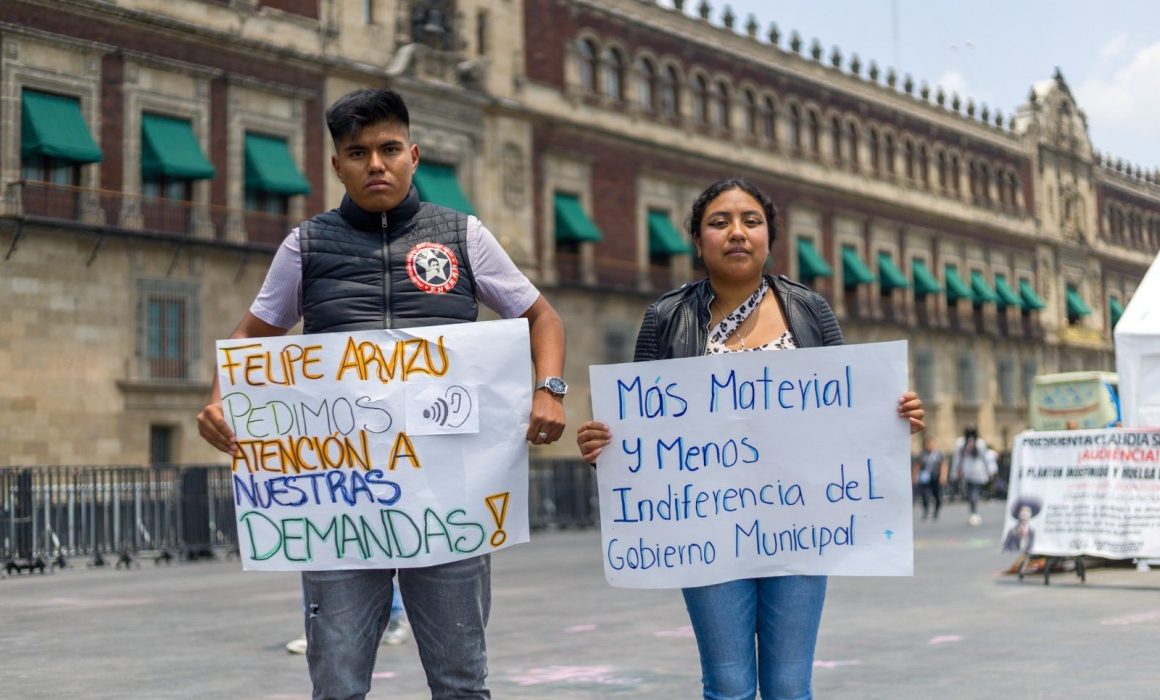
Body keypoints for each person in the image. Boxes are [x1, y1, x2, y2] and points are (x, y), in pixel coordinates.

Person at [197, 88, 567, 700]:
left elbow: (543, 317)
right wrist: (217, 399)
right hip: (338, 506)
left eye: (390, 149)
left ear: (414, 155)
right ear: (336, 165)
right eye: (358, 152)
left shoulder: (464, 236)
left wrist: (549, 389)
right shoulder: (305, 245)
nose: (376, 164)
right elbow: (249, 335)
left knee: (460, 684)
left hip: (452, 499)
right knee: (338, 686)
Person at [575, 178, 925, 700]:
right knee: (729, 684)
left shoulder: (810, 311)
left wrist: (896, 418)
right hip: (706, 529)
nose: (736, 232)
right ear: (697, 241)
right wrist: (604, 443)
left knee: (789, 685)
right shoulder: (666, 318)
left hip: (801, 527)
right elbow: (639, 432)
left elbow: (847, 413)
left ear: (769, 238)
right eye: (719, 222)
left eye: (751, 221)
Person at [951, 425, 991, 526]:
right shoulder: (961, 443)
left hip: (974, 471)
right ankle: (973, 511)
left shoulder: (979, 443)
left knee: (973, 492)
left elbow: (985, 458)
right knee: (971, 492)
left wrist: (988, 471)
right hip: (970, 471)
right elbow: (957, 458)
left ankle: (974, 511)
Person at [913, 437, 946, 521]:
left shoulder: (939, 454)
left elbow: (943, 465)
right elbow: (917, 466)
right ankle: (926, 510)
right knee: (925, 495)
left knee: (937, 495)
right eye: (928, 444)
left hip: (936, 477)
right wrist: (915, 477)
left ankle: (936, 510)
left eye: (931, 443)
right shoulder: (921, 454)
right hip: (925, 478)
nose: (929, 446)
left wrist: (943, 476)